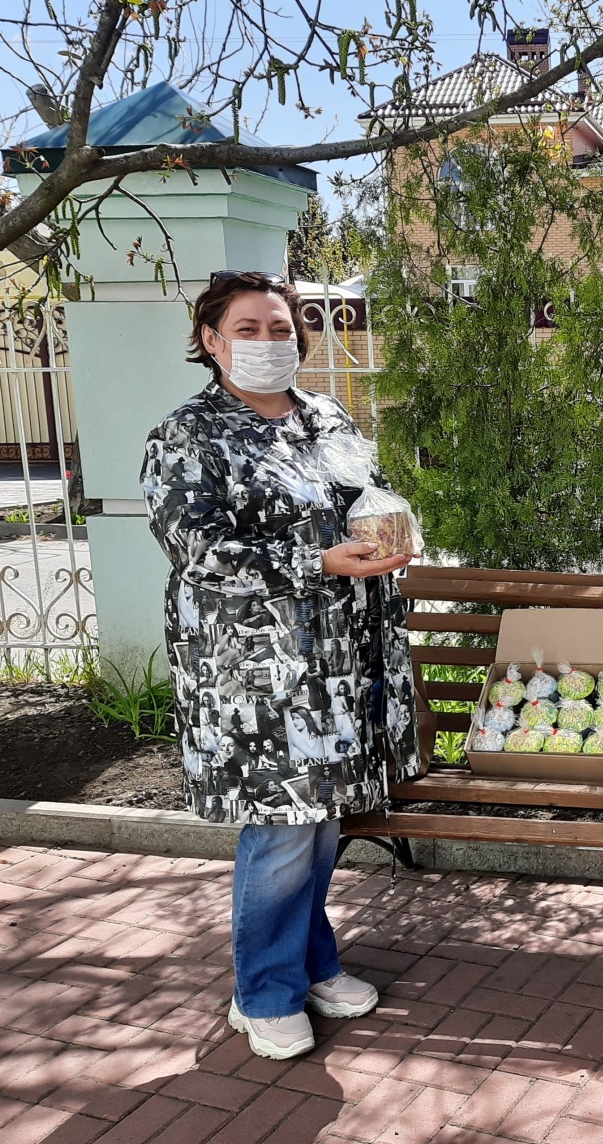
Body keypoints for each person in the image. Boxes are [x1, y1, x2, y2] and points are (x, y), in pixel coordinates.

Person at [141, 271, 422, 1060]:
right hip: (258, 670)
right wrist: (319, 561)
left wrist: (388, 527)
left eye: (281, 328)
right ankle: (261, 991)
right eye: (250, 328)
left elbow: (364, 495)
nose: (271, 342)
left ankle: (310, 962)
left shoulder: (323, 415)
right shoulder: (187, 436)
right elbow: (199, 553)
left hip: (343, 661)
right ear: (211, 340)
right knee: (282, 827)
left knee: (322, 823)